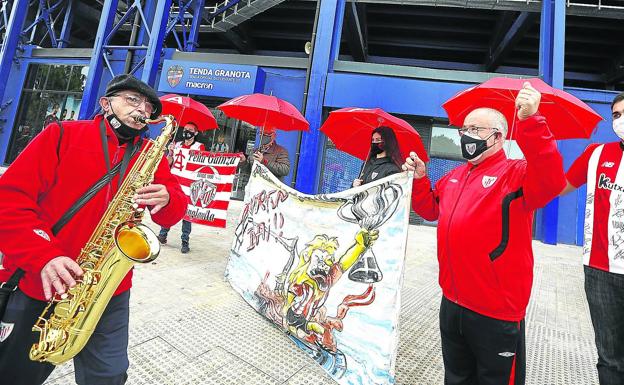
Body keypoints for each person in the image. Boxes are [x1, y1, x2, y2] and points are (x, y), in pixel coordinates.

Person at [0, 74, 187, 385]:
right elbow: (9, 199)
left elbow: (172, 213)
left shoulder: (150, 155)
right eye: (132, 100)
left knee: (109, 375)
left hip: (109, 288)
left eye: (149, 106)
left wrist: (169, 198)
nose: (143, 109)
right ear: (105, 103)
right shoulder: (61, 134)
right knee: (16, 373)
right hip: (44, 279)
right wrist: (43, 256)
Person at [403, 82, 566, 385]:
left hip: (496, 312)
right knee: (457, 377)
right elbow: (430, 210)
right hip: (452, 302)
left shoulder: (516, 174)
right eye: (465, 129)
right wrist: (421, 180)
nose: (467, 135)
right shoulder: (455, 176)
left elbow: (551, 179)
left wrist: (531, 121)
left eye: (477, 130)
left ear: (499, 137)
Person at [561, 92, 624, 385]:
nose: (620, 120)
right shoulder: (596, 154)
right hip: (600, 271)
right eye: (616, 115)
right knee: (609, 357)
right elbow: (559, 186)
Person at [158, 121, 205, 254]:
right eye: (185, 129)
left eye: (190, 130)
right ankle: (163, 235)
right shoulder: (177, 144)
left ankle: (185, 240)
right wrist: (170, 153)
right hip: (174, 182)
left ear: (195, 133)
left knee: (186, 213)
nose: (186, 132)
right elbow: (168, 163)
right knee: (169, 208)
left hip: (189, 185)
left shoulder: (199, 147)